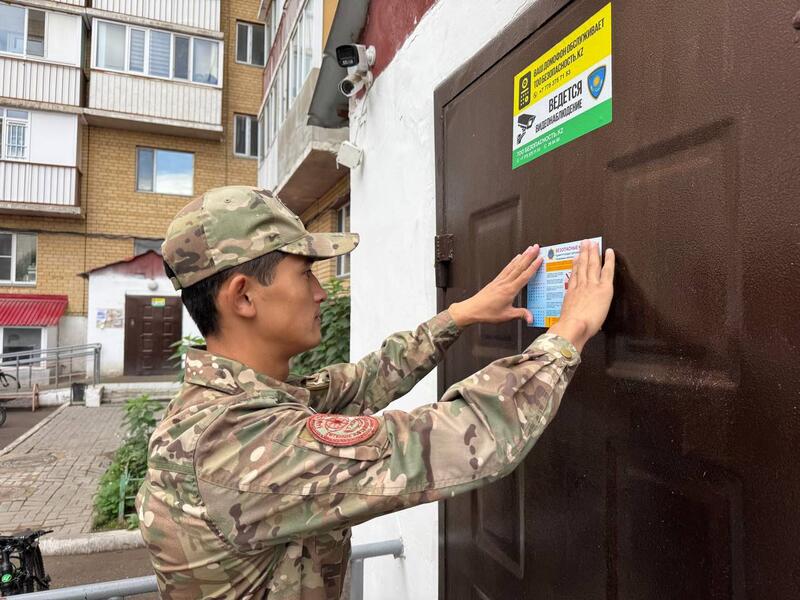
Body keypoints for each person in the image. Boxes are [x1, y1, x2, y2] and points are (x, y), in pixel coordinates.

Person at [136, 185, 615, 600]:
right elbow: (464, 438)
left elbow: (362, 382)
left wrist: (461, 314)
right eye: (305, 273)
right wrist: (570, 331)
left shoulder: (235, 403)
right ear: (243, 296)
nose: (320, 292)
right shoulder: (235, 443)